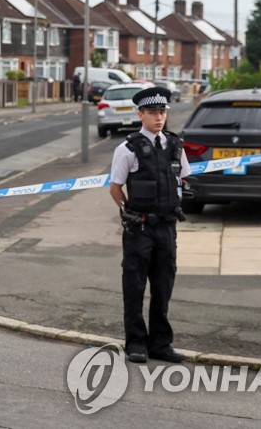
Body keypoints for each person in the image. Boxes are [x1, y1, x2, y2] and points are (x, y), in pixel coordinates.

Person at [108, 85, 191, 364]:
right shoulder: (128, 148)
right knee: (134, 287)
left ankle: (160, 344)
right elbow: (116, 188)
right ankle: (136, 343)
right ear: (141, 114)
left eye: (162, 112)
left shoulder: (175, 146)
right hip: (139, 228)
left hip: (167, 228)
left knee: (163, 287)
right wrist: (127, 211)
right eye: (153, 113)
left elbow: (183, 180)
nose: (159, 118)